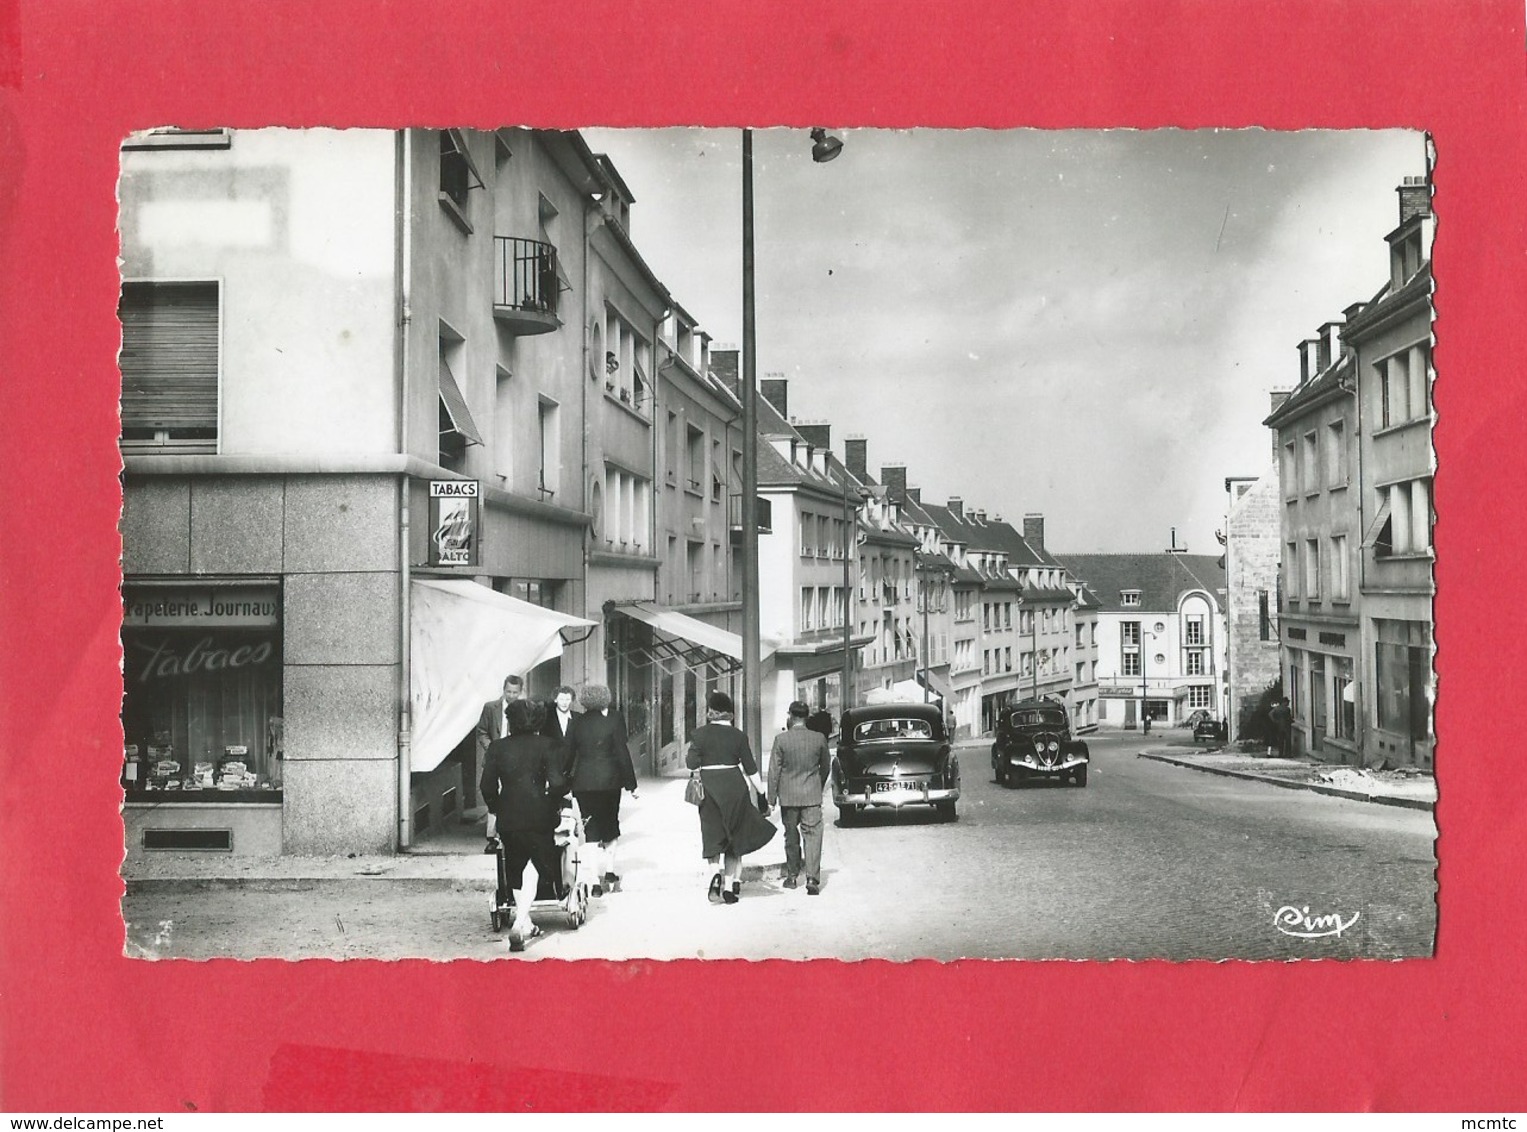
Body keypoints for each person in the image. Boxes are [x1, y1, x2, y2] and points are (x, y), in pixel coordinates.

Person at [480, 698, 567, 952]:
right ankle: (520, 921)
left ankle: (525, 921)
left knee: (515, 865)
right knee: (534, 865)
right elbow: (558, 783)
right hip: (540, 814)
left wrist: (496, 806)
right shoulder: (548, 746)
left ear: (511, 721)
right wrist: (552, 801)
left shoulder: (497, 748)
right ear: (538, 721)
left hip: (509, 815)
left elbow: (486, 786)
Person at [686, 691, 777, 904]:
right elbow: (751, 769)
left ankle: (714, 875)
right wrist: (761, 794)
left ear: (710, 712)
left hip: (709, 788)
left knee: (712, 835)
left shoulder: (699, 734)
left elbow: (691, 763)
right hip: (735, 787)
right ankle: (728, 886)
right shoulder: (738, 736)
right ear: (730, 714)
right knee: (733, 838)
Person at [565, 684, 639, 896]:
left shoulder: (576, 723)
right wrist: (631, 784)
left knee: (589, 830)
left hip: (584, 783)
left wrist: (564, 782)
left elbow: (569, 754)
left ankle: (593, 882)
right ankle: (609, 871)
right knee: (610, 824)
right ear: (606, 699)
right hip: (610, 782)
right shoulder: (614, 719)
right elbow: (622, 752)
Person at [767, 700, 832, 895]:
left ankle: (792, 876)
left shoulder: (781, 740)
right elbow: (826, 766)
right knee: (813, 835)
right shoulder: (819, 738)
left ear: (790, 716)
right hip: (811, 796)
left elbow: (773, 771)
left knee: (791, 836)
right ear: (806, 716)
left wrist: (771, 798)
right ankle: (812, 878)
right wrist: (816, 784)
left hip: (788, 797)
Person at [477, 674, 525, 853]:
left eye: (515, 692)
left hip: (516, 760)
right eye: (508, 691)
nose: (511, 696)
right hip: (494, 758)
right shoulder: (490, 708)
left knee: (513, 796)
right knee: (492, 795)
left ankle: (512, 835)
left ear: (520, 692)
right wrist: (492, 748)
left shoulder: (524, 708)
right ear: (503, 690)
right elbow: (482, 731)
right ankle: (493, 837)